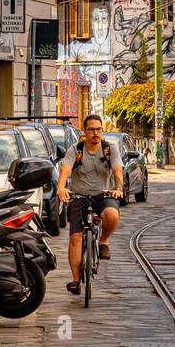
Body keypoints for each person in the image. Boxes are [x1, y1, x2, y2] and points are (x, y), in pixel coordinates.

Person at [56, 113, 124, 295]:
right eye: (91, 129)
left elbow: (117, 170)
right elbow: (65, 170)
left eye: (99, 129)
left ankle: (103, 241)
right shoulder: (75, 149)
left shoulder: (110, 149)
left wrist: (118, 188)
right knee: (75, 237)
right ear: (84, 132)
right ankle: (75, 280)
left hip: (104, 194)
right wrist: (61, 188)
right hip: (79, 195)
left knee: (112, 214)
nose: (95, 133)